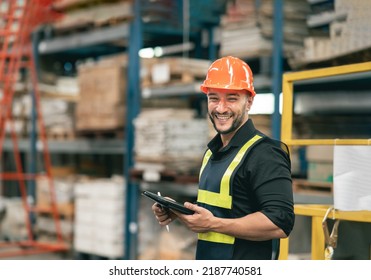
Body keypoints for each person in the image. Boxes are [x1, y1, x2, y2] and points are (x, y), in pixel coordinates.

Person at [152, 56, 295, 260]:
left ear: (249, 102)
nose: (221, 108)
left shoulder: (265, 153)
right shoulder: (212, 152)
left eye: (232, 98)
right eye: (214, 98)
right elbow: (222, 208)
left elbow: (280, 222)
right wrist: (179, 212)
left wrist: (213, 224)